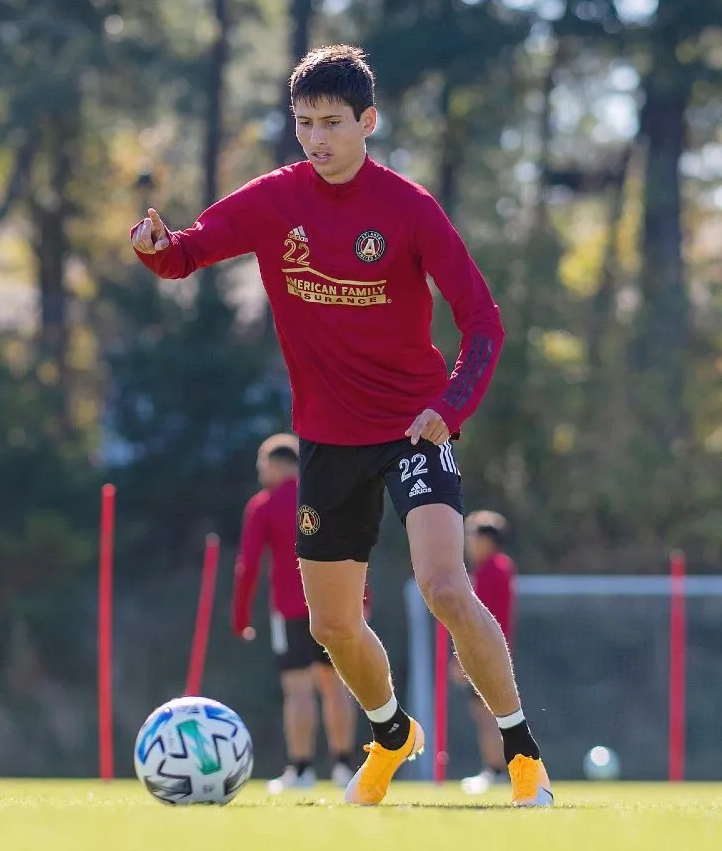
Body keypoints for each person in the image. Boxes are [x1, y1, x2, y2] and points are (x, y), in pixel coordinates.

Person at [130, 44, 552, 807]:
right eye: (303, 123)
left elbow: (483, 322)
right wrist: (158, 250)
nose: (317, 138)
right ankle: (393, 736)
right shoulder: (273, 200)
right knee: (331, 626)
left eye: (332, 122)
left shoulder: (409, 208)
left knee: (444, 586)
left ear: (368, 122)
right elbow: (188, 253)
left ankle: (522, 756)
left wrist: (449, 410)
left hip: (415, 429)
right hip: (326, 439)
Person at [231, 433, 360, 791]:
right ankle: (343, 768)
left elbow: (248, 564)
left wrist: (240, 616)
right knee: (336, 688)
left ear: (278, 463)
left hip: (288, 611)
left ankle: (301, 769)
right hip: (333, 604)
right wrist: (361, 598)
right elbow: (353, 546)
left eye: (262, 463)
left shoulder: (263, 504)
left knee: (298, 690)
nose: (260, 472)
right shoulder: (323, 495)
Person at [452, 511, 517, 795]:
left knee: (488, 714)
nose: (469, 543)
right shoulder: (494, 569)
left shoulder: (492, 570)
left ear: (489, 540)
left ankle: (496, 770)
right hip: (488, 652)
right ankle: (497, 768)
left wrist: (461, 657)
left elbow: (480, 619)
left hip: (484, 653)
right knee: (487, 713)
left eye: (473, 536)